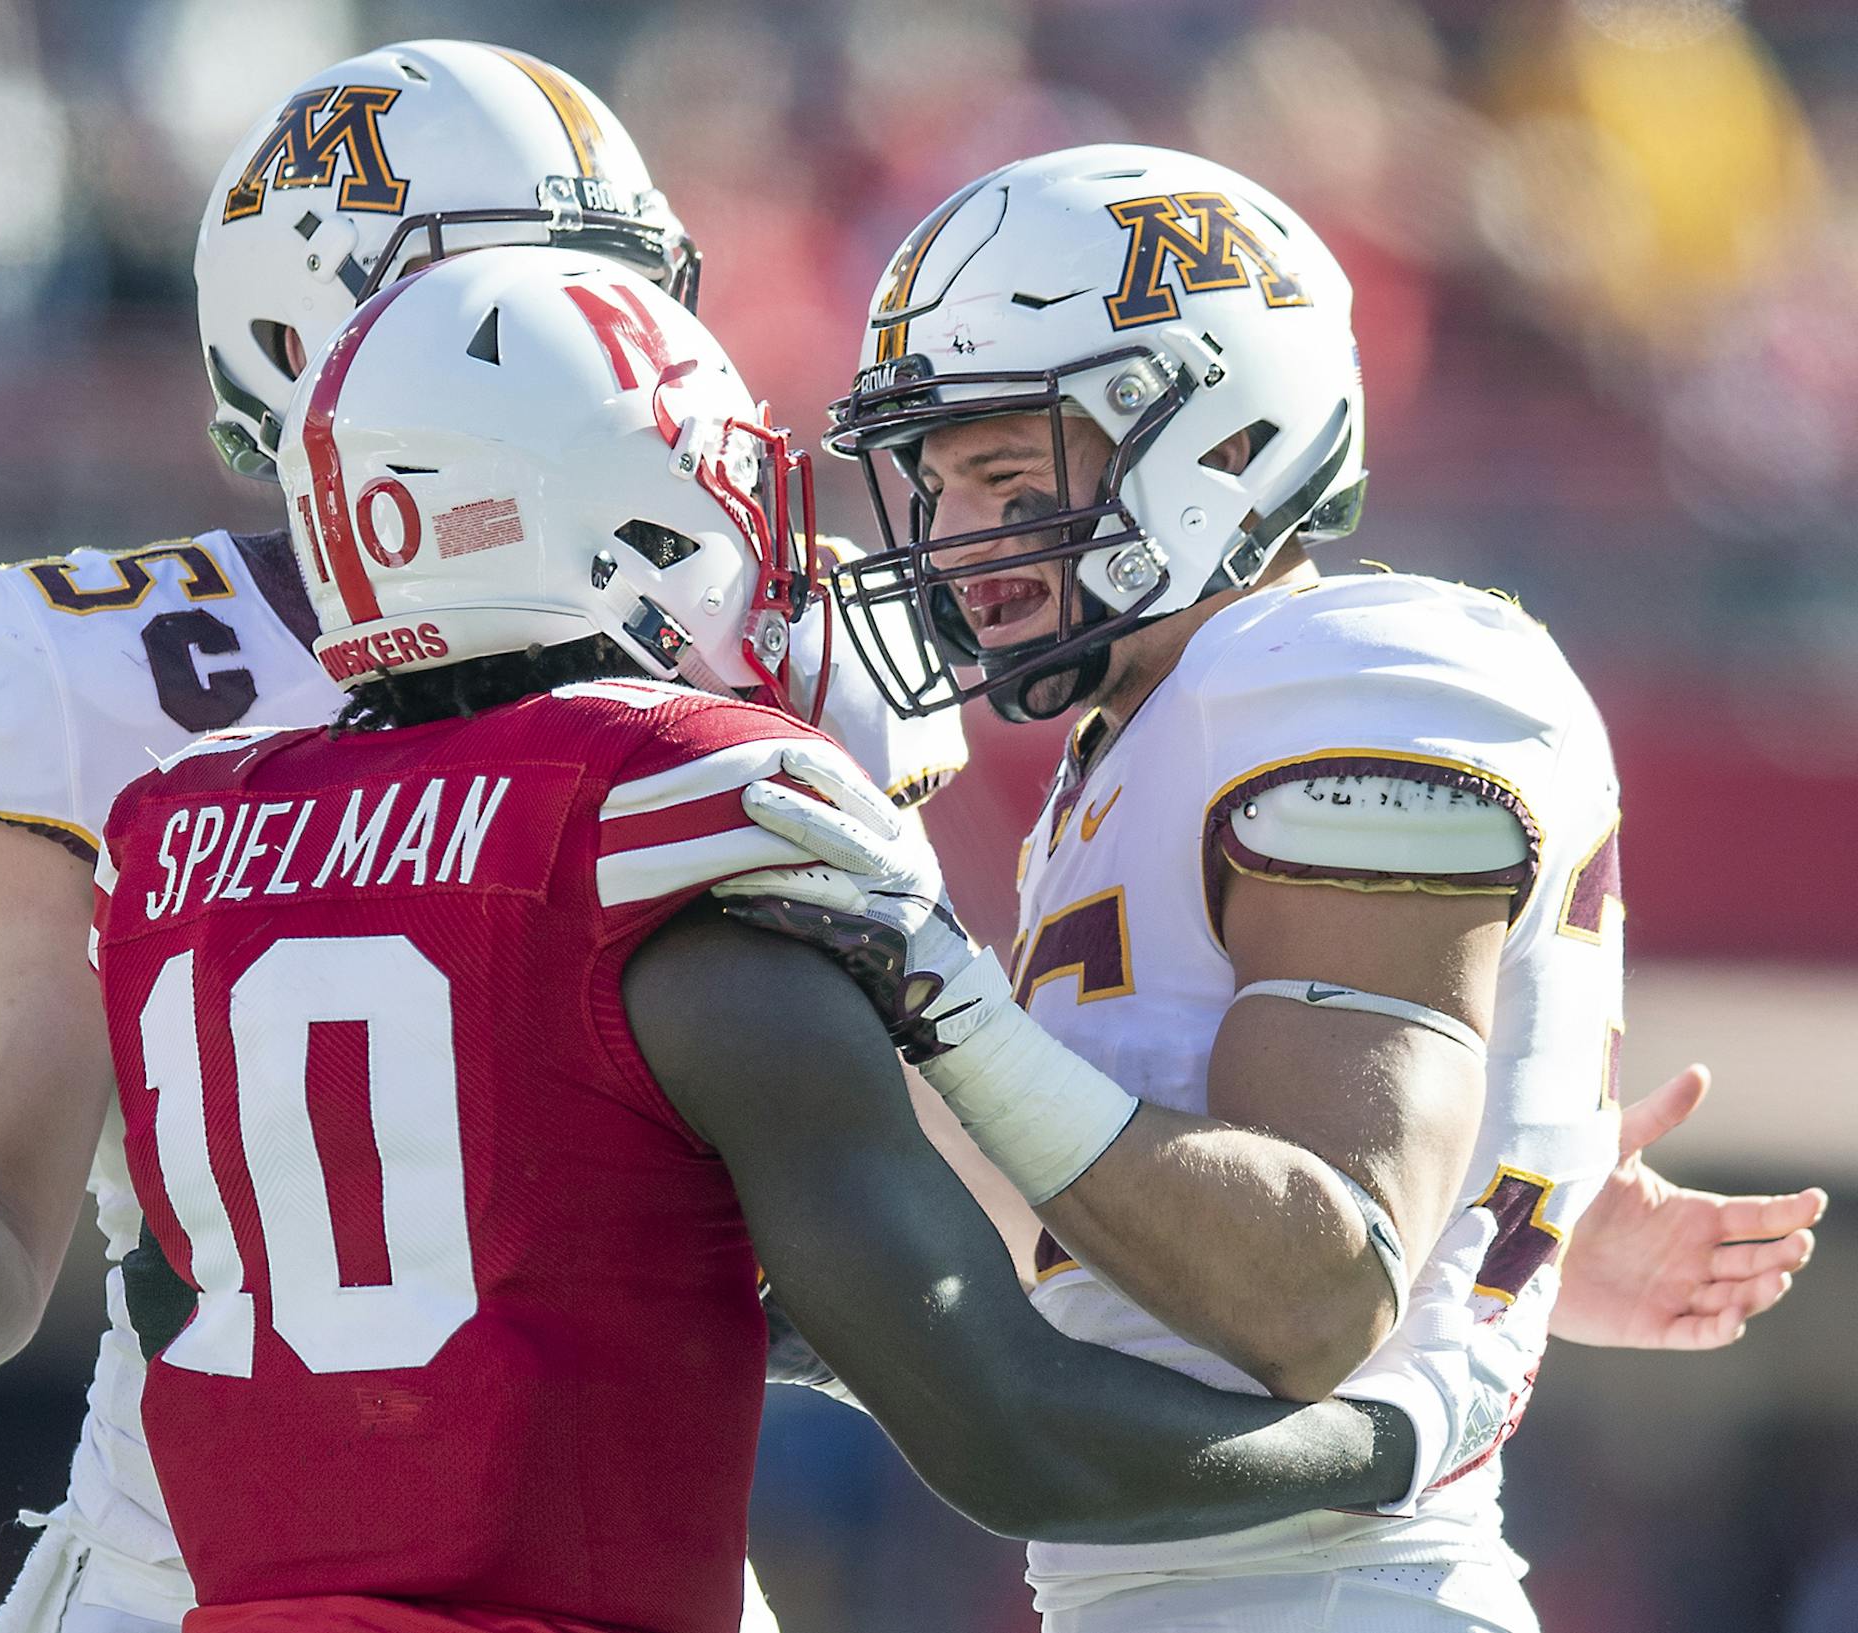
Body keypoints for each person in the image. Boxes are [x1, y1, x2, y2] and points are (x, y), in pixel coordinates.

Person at [0, 80, 1807, 1633]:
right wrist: (1462, 1341)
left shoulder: (202, 802)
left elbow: (847, 1230)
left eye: (1018, 458)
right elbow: (940, 1303)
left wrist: (1490, 1214)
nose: (637, 364)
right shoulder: (714, 776)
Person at [88, 240, 1521, 1633]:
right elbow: (1014, 1435)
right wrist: (1396, 1438)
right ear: (636, 522)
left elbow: (178, 1285)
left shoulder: (190, 835)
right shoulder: (680, 843)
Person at [0, 41, 953, 1633]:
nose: (612, 351)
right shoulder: (125, 665)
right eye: (521, 304)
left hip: (620, 1541)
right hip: (207, 1565)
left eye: (621, 292)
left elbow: (895, 1212)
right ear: (320, 346)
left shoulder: (747, 626)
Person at [714, 144, 1829, 1630]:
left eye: (1005, 466)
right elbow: (1106, 1284)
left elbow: (1312, 1289)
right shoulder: (1139, 745)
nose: (963, 533)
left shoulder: (1354, 672)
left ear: (1219, 438)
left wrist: (934, 985)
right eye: (936, 477)